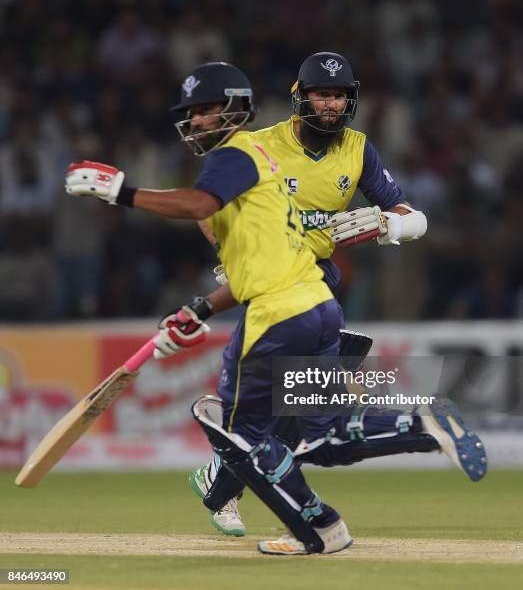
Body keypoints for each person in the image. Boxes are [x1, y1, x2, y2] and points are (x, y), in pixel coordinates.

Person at [167, 53, 486, 543]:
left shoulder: (358, 149)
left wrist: (390, 224)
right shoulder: (262, 144)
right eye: (322, 93)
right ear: (301, 97)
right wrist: (230, 257)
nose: (331, 103)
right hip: (272, 282)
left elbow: (405, 211)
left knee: (298, 412)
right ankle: (241, 489)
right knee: (297, 412)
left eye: (339, 95)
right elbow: (207, 208)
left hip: (319, 285)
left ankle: (226, 483)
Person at [65, 61, 354, 555]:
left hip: (284, 312)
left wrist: (121, 193)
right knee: (292, 429)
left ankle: (308, 521)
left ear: (236, 109)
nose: (197, 120)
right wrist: (198, 309)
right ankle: (315, 513)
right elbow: (244, 270)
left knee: (244, 436)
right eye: (192, 112)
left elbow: (197, 205)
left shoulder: (234, 157)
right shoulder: (248, 174)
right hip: (305, 307)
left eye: (206, 109)